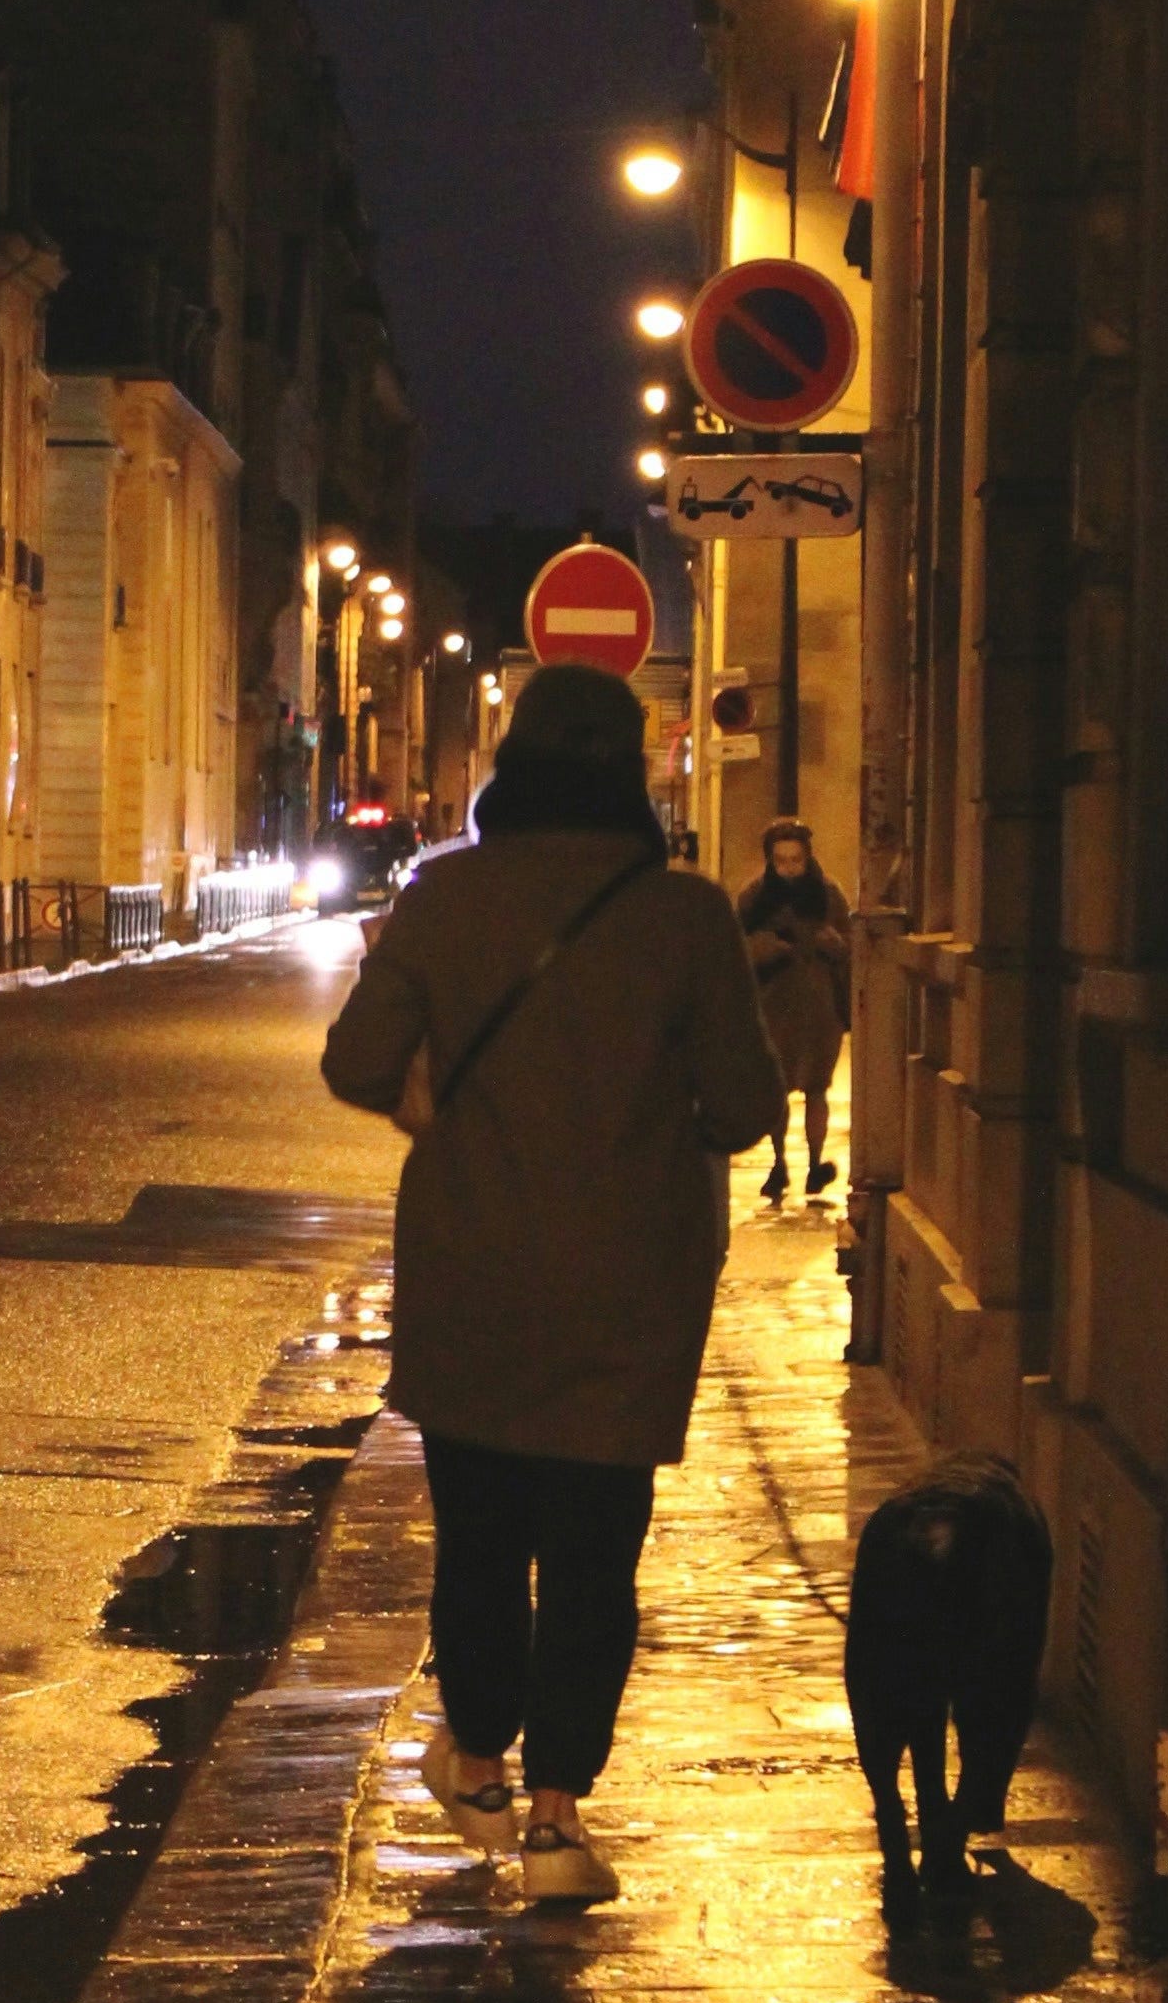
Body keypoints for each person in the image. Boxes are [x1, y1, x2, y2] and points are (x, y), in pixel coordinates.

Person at [321, 661, 783, 1904]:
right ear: (630, 771)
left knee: (478, 1540)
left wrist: (437, 1105)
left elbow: (357, 1058)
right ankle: (556, 1822)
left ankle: (476, 1761)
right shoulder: (686, 916)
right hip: (631, 1292)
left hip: (472, 1272)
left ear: (511, 767)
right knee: (593, 1559)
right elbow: (745, 1106)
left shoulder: (445, 895)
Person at [734, 817, 850, 1202]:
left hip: (819, 1009)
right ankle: (779, 1162)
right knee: (777, 1088)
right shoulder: (754, 897)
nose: (789, 869)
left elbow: (852, 946)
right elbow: (734, 949)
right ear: (770, 859)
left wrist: (834, 945)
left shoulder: (828, 895)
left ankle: (815, 1163)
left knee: (818, 1087)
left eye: (795, 860)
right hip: (773, 1006)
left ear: (807, 857)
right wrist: (762, 949)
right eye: (781, 860)